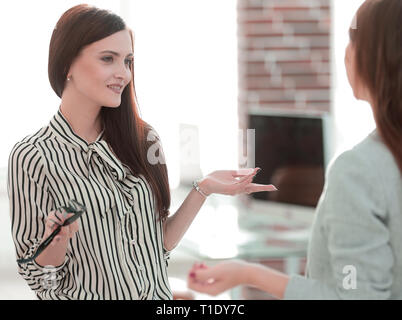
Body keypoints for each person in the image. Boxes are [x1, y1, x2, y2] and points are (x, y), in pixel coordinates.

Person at [7, 4, 277, 300]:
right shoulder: (31, 156)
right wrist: (55, 241)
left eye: (128, 61)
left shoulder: (145, 139)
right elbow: (40, 279)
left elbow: (160, 242)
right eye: (108, 59)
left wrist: (204, 188)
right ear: (67, 64)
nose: (123, 73)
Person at [187, 0, 402, 300]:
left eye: (353, 39)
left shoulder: (360, 169)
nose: (346, 53)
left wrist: (249, 273)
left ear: (377, 58)